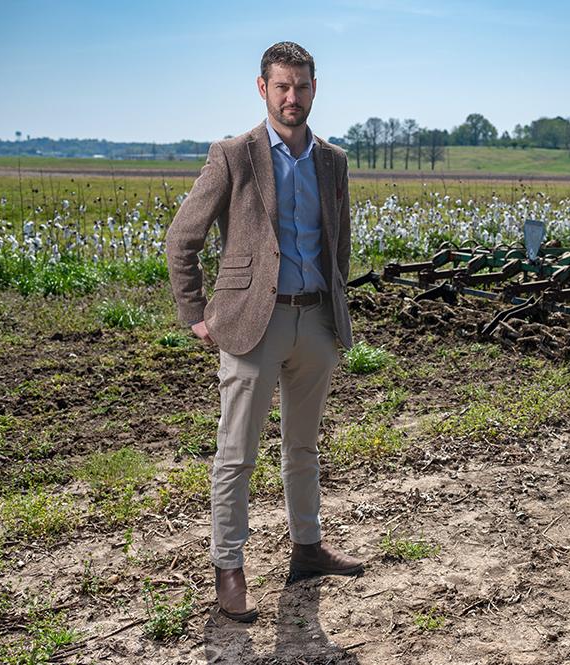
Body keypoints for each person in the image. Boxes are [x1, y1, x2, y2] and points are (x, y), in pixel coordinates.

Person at [166, 41, 362, 623]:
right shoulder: (233, 155)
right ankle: (229, 566)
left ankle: (307, 547)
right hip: (252, 326)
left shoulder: (333, 161)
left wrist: (335, 303)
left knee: (303, 446)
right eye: (282, 86)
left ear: (314, 88)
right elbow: (182, 239)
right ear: (262, 88)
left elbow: (339, 245)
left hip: (316, 323)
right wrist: (198, 316)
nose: (292, 97)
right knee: (236, 455)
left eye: (301, 86)